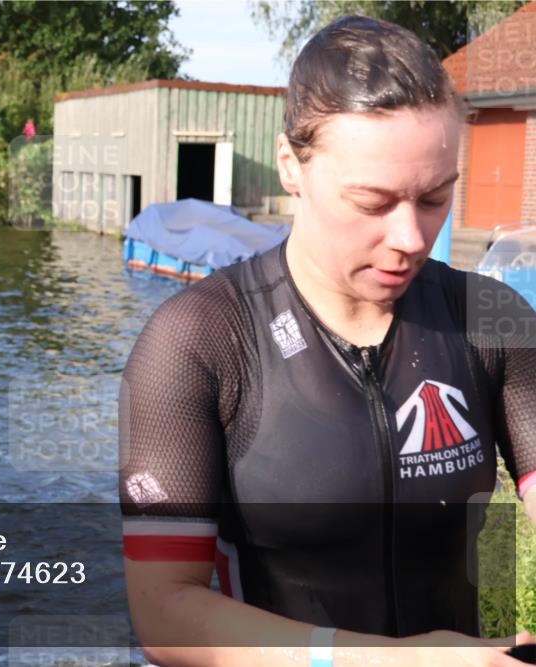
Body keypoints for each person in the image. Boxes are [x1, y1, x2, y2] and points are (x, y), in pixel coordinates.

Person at [119, 15, 536, 667]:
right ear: (292, 165)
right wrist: (402, 661)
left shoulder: (489, 317)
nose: (409, 238)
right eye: (373, 202)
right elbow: (165, 612)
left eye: (435, 197)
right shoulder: (198, 342)